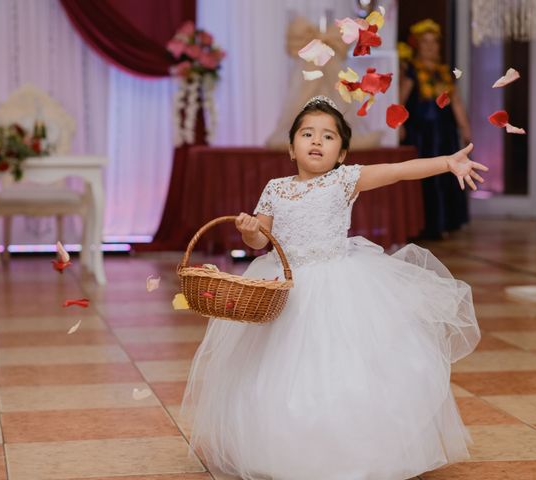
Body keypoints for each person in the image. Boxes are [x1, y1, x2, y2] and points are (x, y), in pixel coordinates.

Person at [180, 96, 485, 480]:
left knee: (344, 367)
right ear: (292, 147)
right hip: (284, 287)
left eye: (328, 136)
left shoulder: (344, 180)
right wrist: (249, 231)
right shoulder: (275, 188)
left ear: (342, 153)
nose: (316, 141)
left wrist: (445, 162)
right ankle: (283, 449)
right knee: (276, 370)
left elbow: (398, 170)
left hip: (338, 282)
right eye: (307, 134)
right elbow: (262, 240)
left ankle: (355, 450)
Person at [399, 19, 473, 239]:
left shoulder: (445, 73)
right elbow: (400, 101)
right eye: (425, 42)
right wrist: (399, 125)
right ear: (418, 46)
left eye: (434, 42)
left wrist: (465, 128)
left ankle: (445, 223)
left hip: (444, 133)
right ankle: (424, 226)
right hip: (420, 134)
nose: (430, 47)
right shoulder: (411, 71)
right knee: (423, 176)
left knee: (445, 175)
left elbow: (456, 102)